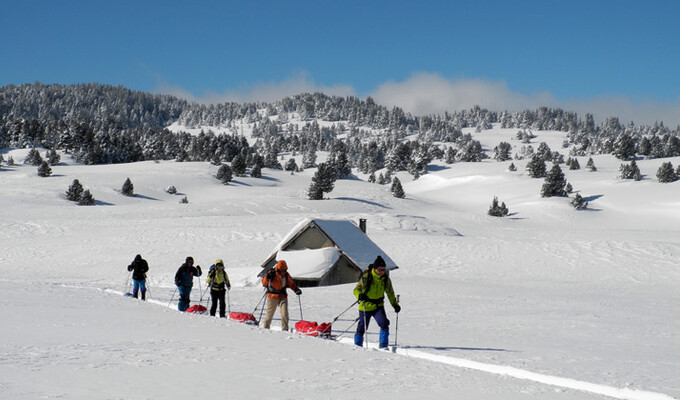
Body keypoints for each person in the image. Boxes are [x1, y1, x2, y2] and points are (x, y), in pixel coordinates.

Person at [353, 255, 400, 349]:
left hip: (378, 306)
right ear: (375, 269)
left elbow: (390, 293)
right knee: (362, 327)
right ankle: (357, 346)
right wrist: (360, 295)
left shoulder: (385, 279)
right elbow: (356, 290)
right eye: (380, 269)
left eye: (383, 269)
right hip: (365, 305)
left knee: (384, 323)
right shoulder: (367, 277)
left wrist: (395, 305)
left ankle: (383, 345)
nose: (382, 272)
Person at [261, 260, 301, 331]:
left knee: (285, 314)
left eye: (284, 270)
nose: (282, 272)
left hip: (282, 296)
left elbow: (291, 283)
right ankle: (265, 329)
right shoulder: (271, 273)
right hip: (272, 296)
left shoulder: (286, 275)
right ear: (277, 269)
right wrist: (267, 277)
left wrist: (296, 289)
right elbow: (264, 283)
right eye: (280, 270)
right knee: (269, 315)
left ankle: (285, 330)